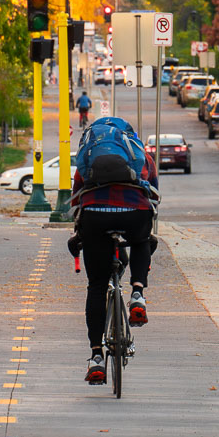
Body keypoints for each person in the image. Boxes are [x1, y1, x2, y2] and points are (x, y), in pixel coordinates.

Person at [67, 119, 158, 385]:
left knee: (96, 286)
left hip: (95, 217)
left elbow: (76, 199)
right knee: (142, 240)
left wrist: (78, 234)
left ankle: (96, 358)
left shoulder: (89, 156)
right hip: (134, 215)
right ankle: (138, 294)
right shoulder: (141, 156)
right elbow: (153, 194)